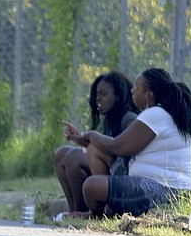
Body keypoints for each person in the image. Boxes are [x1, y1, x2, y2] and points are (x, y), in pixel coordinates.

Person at [80, 67, 191, 218]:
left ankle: (99, 216)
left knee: (91, 186)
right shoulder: (163, 113)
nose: (131, 91)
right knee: (94, 151)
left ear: (149, 94)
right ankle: (106, 212)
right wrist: (89, 142)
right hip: (166, 187)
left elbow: (118, 147)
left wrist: (92, 135)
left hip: (165, 190)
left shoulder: (154, 115)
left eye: (136, 87)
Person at [54, 71, 139, 219]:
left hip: (126, 174)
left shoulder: (129, 119)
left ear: (117, 96)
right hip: (111, 166)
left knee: (74, 157)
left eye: (103, 94)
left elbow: (123, 150)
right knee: (62, 153)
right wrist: (80, 140)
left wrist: (91, 140)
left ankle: (88, 213)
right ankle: (74, 210)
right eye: (96, 94)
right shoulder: (110, 119)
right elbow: (105, 148)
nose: (97, 98)